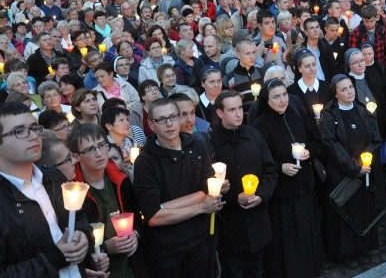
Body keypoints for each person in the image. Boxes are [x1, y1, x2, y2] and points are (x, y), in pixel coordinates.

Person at [133, 97, 225, 278]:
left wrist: (166, 206)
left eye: (173, 117)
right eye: (161, 119)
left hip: (200, 241)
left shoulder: (197, 144)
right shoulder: (145, 161)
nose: (169, 123)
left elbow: (209, 189)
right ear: (151, 125)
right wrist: (200, 205)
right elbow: (153, 217)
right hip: (166, 250)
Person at [0, 102, 93, 276]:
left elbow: (79, 216)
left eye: (34, 128)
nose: (33, 136)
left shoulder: (54, 177)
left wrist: (83, 234)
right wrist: (55, 258)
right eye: (19, 131)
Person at [252, 79, 324, 278]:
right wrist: (280, 167)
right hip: (282, 194)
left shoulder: (297, 112)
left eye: (284, 94)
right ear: (267, 100)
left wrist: (310, 152)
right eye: (276, 96)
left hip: (305, 187)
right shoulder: (260, 125)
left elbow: (317, 140)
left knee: (307, 233)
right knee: (288, 239)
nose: (283, 100)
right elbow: (259, 162)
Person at [210, 90, 278, 278]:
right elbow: (208, 184)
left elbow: (270, 171)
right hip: (230, 224)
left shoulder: (254, 135)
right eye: (232, 110)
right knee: (233, 271)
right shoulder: (210, 142)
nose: (239, 113)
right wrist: (233, 197)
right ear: (220, 113)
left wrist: (261, 195)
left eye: (240, 108)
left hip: (258, 219)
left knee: (257, 269)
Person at [319, 74, 386, 260]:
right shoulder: (330, 115)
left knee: (364, 207)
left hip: (364, 169)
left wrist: (365, 160)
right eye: (344, 89)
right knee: (346, 212)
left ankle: (366, 244)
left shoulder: (362, 110)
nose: (349, 91)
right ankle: (347, 252)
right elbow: (330, 144)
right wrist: (353, 166)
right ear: (336, 94)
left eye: (350, 87)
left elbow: (376, 138)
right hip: (343, 173)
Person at [68, 123, 147, 278]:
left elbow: (137, 216)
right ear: (76, 156)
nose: (99, 153)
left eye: (102, 145)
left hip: (132, 266)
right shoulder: (73, 193)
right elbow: (73, 241)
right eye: (90, 149)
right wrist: (105, 247)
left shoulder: (121, 180)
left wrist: (135, 234)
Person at [286, 49, 330, 120]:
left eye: (314, 64)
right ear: (300, 69)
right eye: (307, 66)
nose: (312, 69)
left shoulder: (326, 86)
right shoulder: (291, 91)